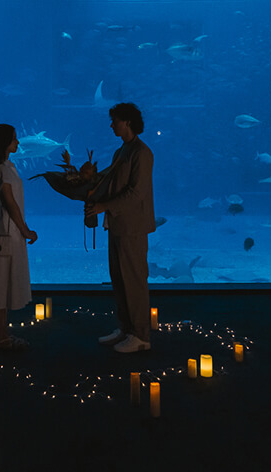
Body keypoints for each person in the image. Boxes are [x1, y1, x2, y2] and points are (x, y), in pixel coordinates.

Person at [84, 103, 156, 353]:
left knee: (134, 280)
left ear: (127, 122)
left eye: (115, 120)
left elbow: (136, 193)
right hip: (118, 225)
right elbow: (108, 180)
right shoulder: (121, 151)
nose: (111, 125)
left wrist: (104, 206)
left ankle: (141, 336)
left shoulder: (142, 153)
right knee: (119, 279)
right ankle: (126, 328)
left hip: (132, 227)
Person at [0, 123, 38, 350]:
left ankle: (2, 334)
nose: (18, 142)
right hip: (6, 232)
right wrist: (25, 230)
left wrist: (23, 229)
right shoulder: (2, 169)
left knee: (3, 282)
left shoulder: (6, 167)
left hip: (8, 231)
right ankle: (0, 338)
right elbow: (10, 202)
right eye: (14, 138)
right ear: (5, 142)